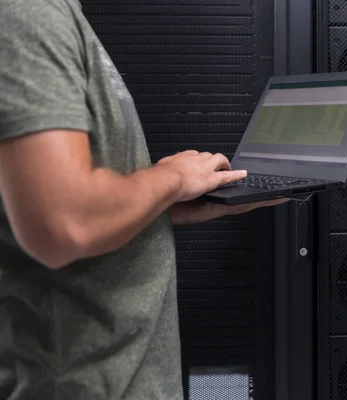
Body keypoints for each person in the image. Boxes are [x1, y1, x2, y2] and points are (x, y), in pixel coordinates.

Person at [0, 0, 284, 398]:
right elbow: (65, 221)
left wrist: (160, 207)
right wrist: (172, 178)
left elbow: (47, 199)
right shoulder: (26, 13)